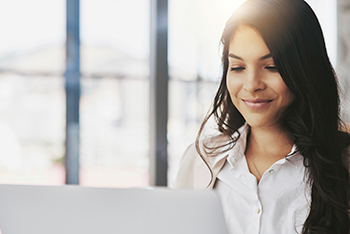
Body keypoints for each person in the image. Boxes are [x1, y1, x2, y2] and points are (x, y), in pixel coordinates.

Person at [174, 0, 350, 233]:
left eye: (272, 67)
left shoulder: (343, 163)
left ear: (304, 69)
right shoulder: (200, 161)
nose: (252, 85)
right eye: (237, 67)